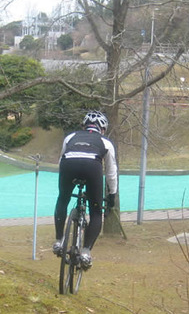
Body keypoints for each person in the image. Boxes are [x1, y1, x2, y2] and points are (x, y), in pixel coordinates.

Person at [52, 110, 118, 268]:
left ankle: (59, 241)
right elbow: (111, 173)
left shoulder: (70, 137)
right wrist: (111, 196)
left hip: (69, 164)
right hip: (92, 167)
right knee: (96, 212)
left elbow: (62, 159)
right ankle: (86, 252)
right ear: (102, 129)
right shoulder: (106, 142)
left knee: (63, 200)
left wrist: (65, 186)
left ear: (84, 125)